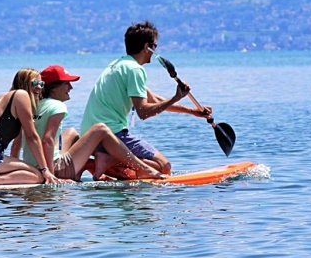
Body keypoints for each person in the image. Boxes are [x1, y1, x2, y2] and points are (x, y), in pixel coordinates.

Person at [79, 20, 212, 178]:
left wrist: (193, 111)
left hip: (90, 137)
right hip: (111, 135)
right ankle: (110, 161)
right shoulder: (135, 70)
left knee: (135, 172)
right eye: (154, 46)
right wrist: (176, 97)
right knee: (164, 167)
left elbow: (153, 98)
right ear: (146, 47)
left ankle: (103, 161)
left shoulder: (119, 64)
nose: (155, 50)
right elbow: (143, 111)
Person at [11, 64, 164, 181]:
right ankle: (143, 167)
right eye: (66, 83)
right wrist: (50, 176)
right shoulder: (57, 106)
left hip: (34, 166)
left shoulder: (31, 106)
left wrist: (16, 170)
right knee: (100, 129)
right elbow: (48, 141)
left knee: (71, 133)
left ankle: (91, 166)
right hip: (54, 169)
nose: (70, 87)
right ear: (54, 87)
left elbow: (17, 143)